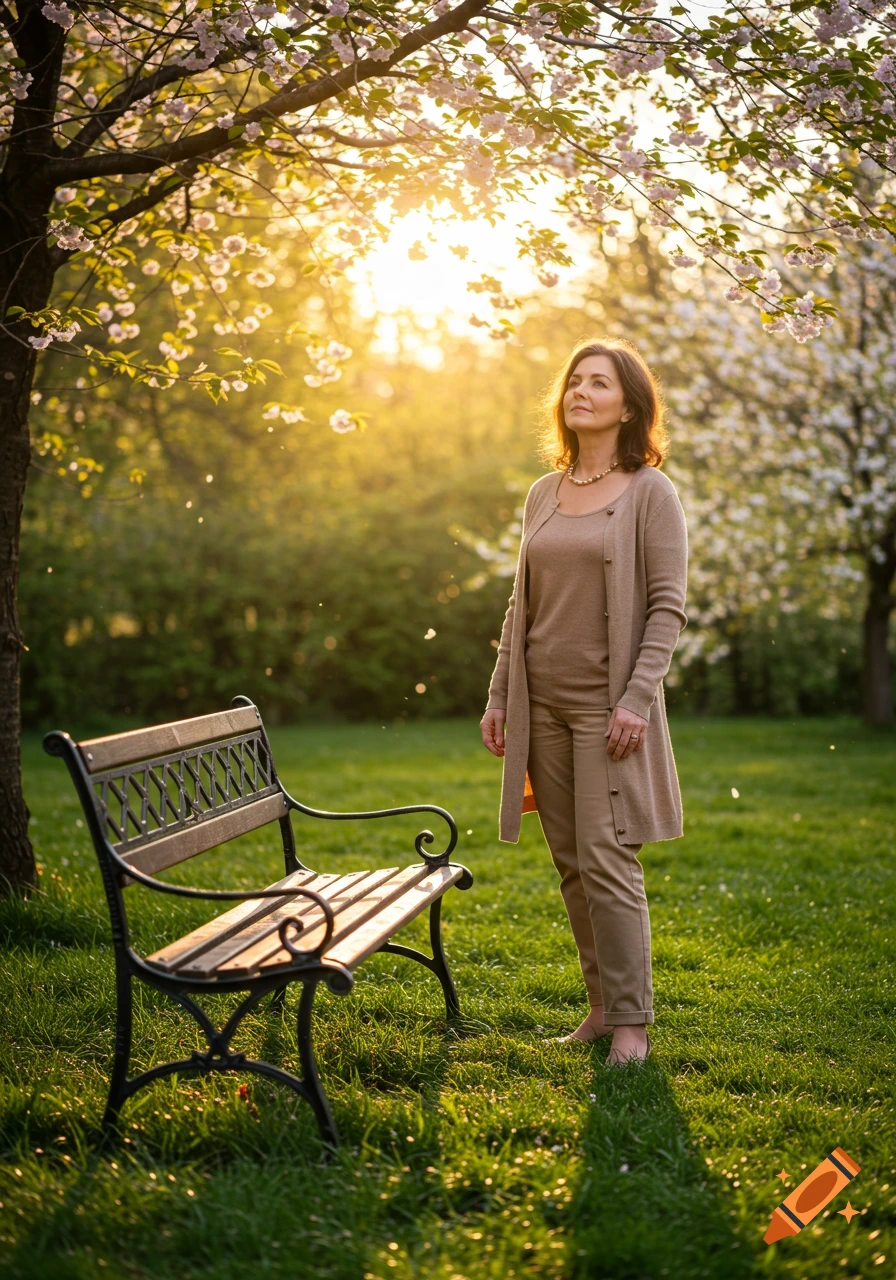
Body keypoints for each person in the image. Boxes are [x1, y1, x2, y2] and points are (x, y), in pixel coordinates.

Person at [480, 338, 688, 1065]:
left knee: (607, 856)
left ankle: (632, 1023)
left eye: (599, 382)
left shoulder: (650, 493)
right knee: (570, 859)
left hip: (608, 712)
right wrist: (501, 692)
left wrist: (636, 698)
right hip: (542, 707)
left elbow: (667, 608)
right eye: (574, 380)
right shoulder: (546, 491)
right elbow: (520, 602)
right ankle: (600, 1009)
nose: (581, 391)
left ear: (628, 405)